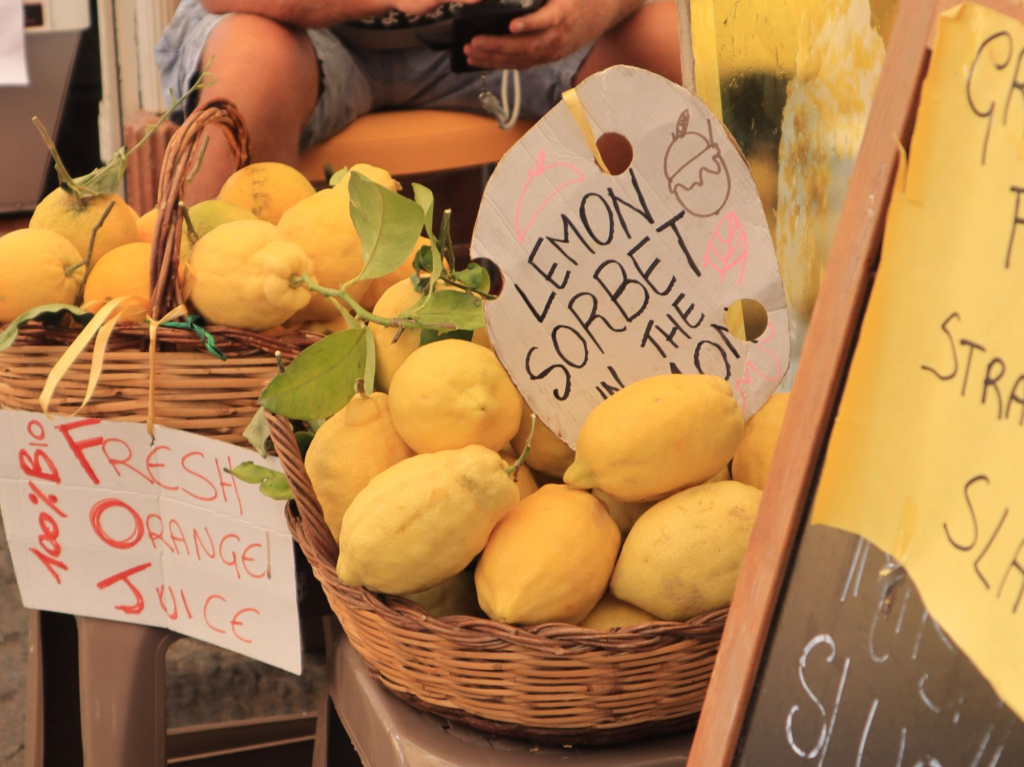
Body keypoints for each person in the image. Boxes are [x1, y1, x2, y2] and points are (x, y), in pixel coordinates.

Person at [156, 0, 682, 201]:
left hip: (504, 30)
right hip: (301, 35)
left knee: (671, 44)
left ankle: (666, 331)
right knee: (251, 73)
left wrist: (591, 10)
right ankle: (216, 360)